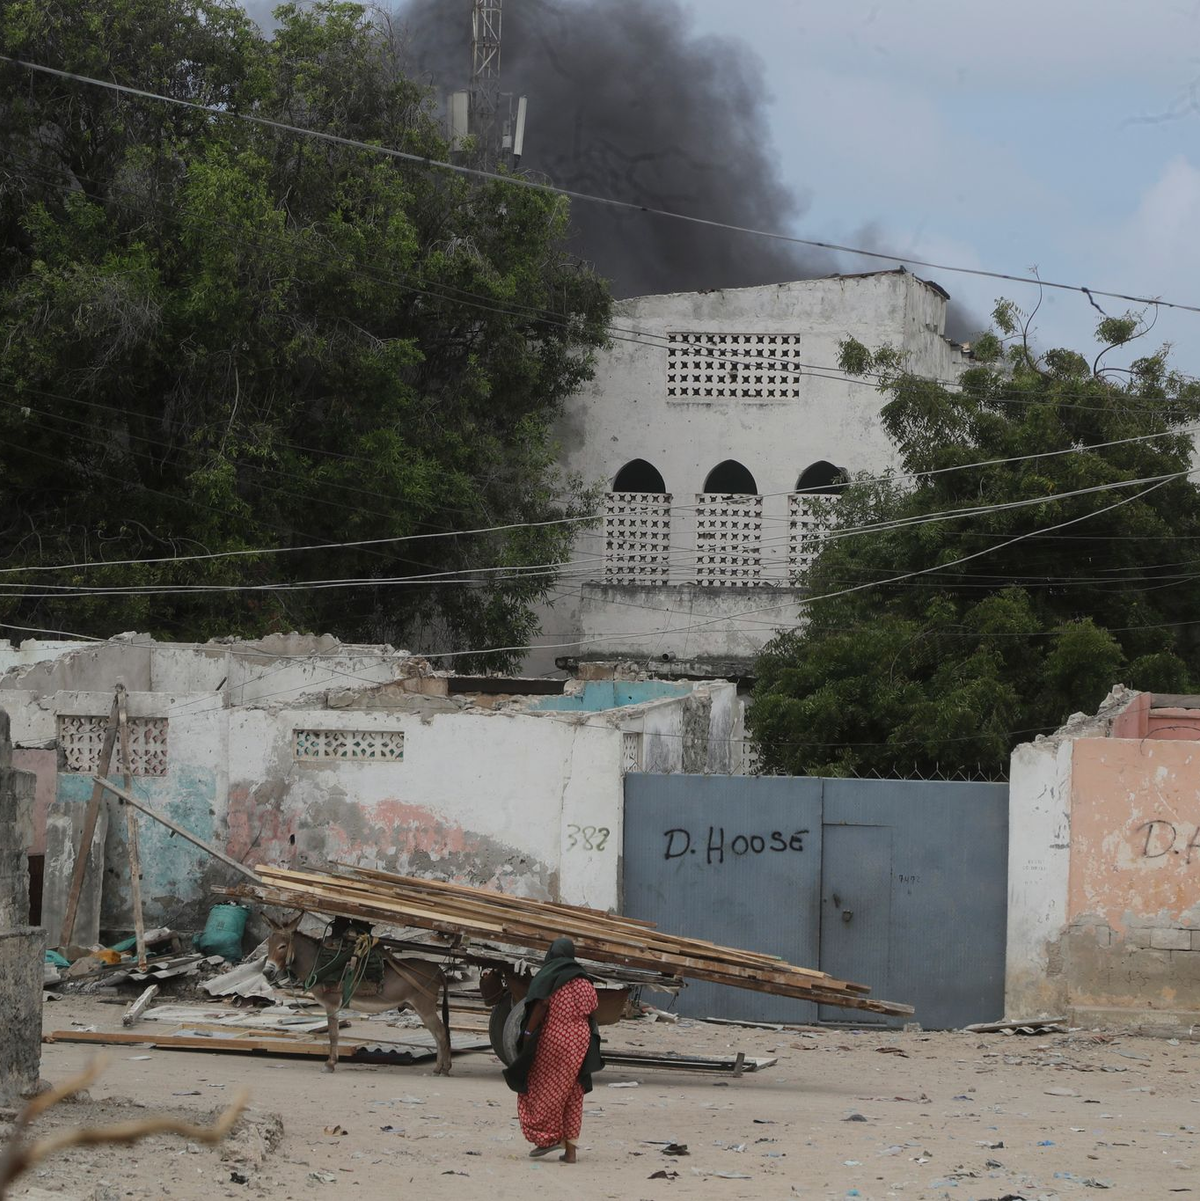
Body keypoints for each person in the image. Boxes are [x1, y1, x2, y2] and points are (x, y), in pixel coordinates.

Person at [502, 936, 603, 1163]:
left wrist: (527, 1034)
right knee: (573, 1091)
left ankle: (548, 1137)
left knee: (545, 1087)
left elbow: (540, 1005)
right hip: (580, 1039)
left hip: (555, 1037)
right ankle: (570, 1152)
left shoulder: (550, 976)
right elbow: (593, 1012)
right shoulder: (585, 981)